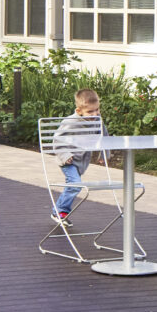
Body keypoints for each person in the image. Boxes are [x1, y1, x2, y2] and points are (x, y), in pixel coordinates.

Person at [46, 86, 110, 225]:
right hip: (68, 160)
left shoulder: (97, 120)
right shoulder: (71, 122)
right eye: (90, 111)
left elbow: (104, 137)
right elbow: (57, 140)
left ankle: (60, 210)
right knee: (75, 184)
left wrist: (103, 154)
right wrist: (65, 155)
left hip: (82, 160)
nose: (95, 114)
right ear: (79, 111)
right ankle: (60, 211)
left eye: (97, 110)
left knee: (74, 184)